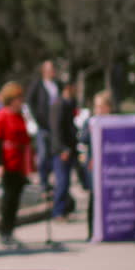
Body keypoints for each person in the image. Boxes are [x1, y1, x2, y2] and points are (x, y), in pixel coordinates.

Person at [0, 81, 31, 247]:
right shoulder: (1, 116)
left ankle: (11, 231)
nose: (21, 101)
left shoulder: (20, 115)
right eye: (18, 98)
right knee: (8, 199)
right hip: (8, 163)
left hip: (20, 163)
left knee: (15, 200)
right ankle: (4, 232)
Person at [78, 90, 112, 240]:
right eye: (97, 107)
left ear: (108, 108)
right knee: (94, 198)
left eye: (102, 107)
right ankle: (91, 231)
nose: (99, 110)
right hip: (94, 166)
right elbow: (83, 139)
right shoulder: (90, 121)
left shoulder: (113, 122)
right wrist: (91, 131)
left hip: (110, 166)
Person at [26, 60, 61, 191]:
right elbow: (30, 101)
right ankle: (44, 182)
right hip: (43, 126)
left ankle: (53, 181)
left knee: (54, 154)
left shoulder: (57, 85)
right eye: (49, 69)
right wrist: (37, 117)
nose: (52, 71)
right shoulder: (38, 85)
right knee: (43, 155)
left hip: (56, 127)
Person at [49, 82, 78, 220]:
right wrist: (62, 149)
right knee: (62, 181)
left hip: (69, 148)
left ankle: (65, 209)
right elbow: (56, 130)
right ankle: (58, 211)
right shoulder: (59, 105)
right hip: (61, 150)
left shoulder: (69, 103)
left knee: (66, 182)